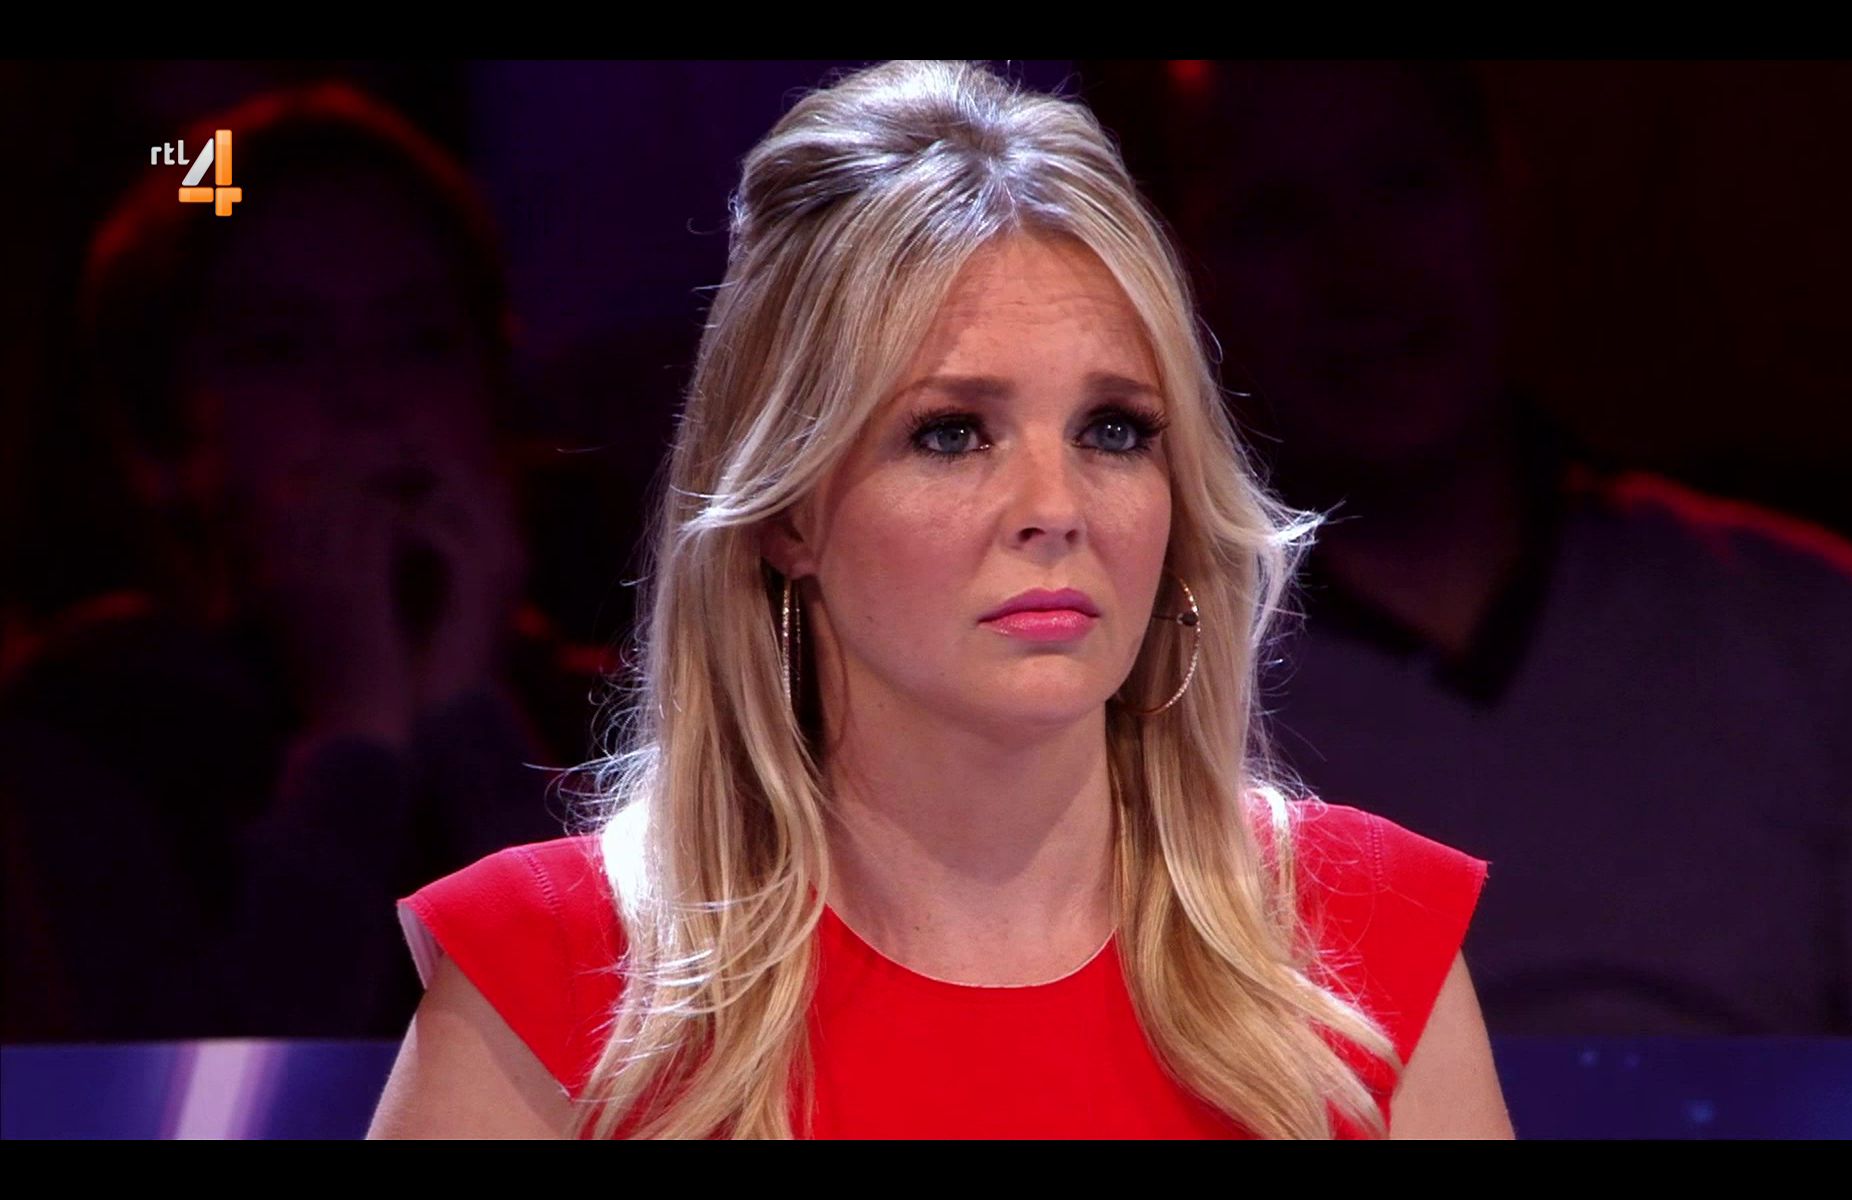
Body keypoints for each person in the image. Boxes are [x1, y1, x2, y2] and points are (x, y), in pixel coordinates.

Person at [367, 60, 1512, 1140]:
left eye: (1114, 430)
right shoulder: (556, 974)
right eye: (952, 432)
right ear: (787, 513)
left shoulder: (1364, 946)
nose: (1055, 506)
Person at [1083, 59, 1852, 1036]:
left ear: (1505, 196)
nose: (1360, 273)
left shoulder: (1813, 629)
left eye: (1403, 185)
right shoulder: (1139, 669)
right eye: (1276, 215)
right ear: (1180, 270)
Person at [0, 82, 602, 1041]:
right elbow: (201, 1085)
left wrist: (471, 721)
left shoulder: (631, 714)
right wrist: (354, 746)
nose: (366, 398)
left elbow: (643, 1060)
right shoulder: (78, 738)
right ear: (164, 441)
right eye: (282, 348)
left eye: (417, 340)